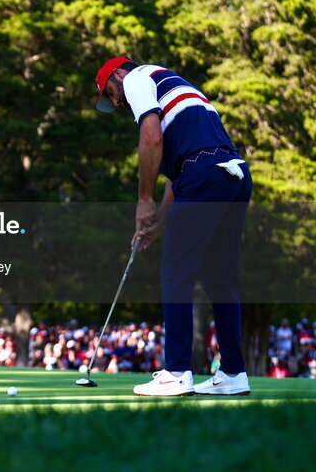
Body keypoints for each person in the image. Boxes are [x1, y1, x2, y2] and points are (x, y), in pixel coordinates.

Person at [95, 56, 253, 396]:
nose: (118, 103)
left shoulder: (137, 78)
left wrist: (143, 200)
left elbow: (150, 139)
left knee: (175, 271)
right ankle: (234, 375)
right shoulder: (178, 91)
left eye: (112, 93)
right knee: (220, 278)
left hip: (205, 175)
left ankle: (177, 372)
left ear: (118, 75)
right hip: (233, 175)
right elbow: (179, 177)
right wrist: (158, 224)